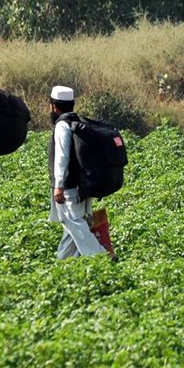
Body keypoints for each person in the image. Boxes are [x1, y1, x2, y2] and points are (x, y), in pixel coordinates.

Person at [48, 85, 108, 260]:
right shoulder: (79, 123)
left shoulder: (62, 126)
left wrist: (59, 185)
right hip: (82, 186)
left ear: (53, 106)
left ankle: (101, 256)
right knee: (71, 227)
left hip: (68, 187)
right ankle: (63, 262)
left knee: (74, 223)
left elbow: (62, 156)